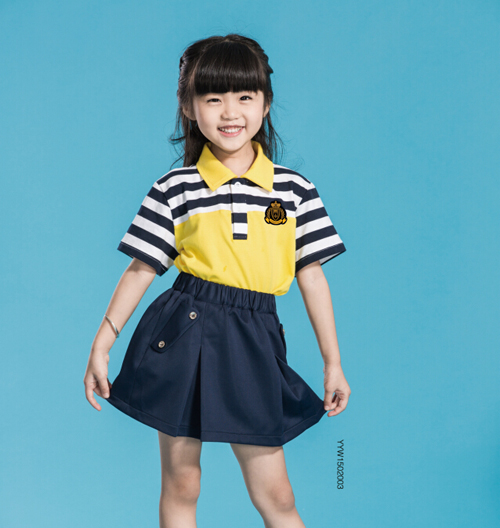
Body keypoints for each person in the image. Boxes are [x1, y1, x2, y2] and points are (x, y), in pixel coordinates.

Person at [84, 33, 351, 528]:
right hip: (184, 327)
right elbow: (142, 268)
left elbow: (312, 278)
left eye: (245, 96)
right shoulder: (175, 188)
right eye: (213, 98)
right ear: (189, 107)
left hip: (255, 334)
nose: (231, 112)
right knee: (183, 482)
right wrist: (102, 345)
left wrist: (332, 364)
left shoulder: (294, 190)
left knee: (277, 494)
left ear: (265, 103)